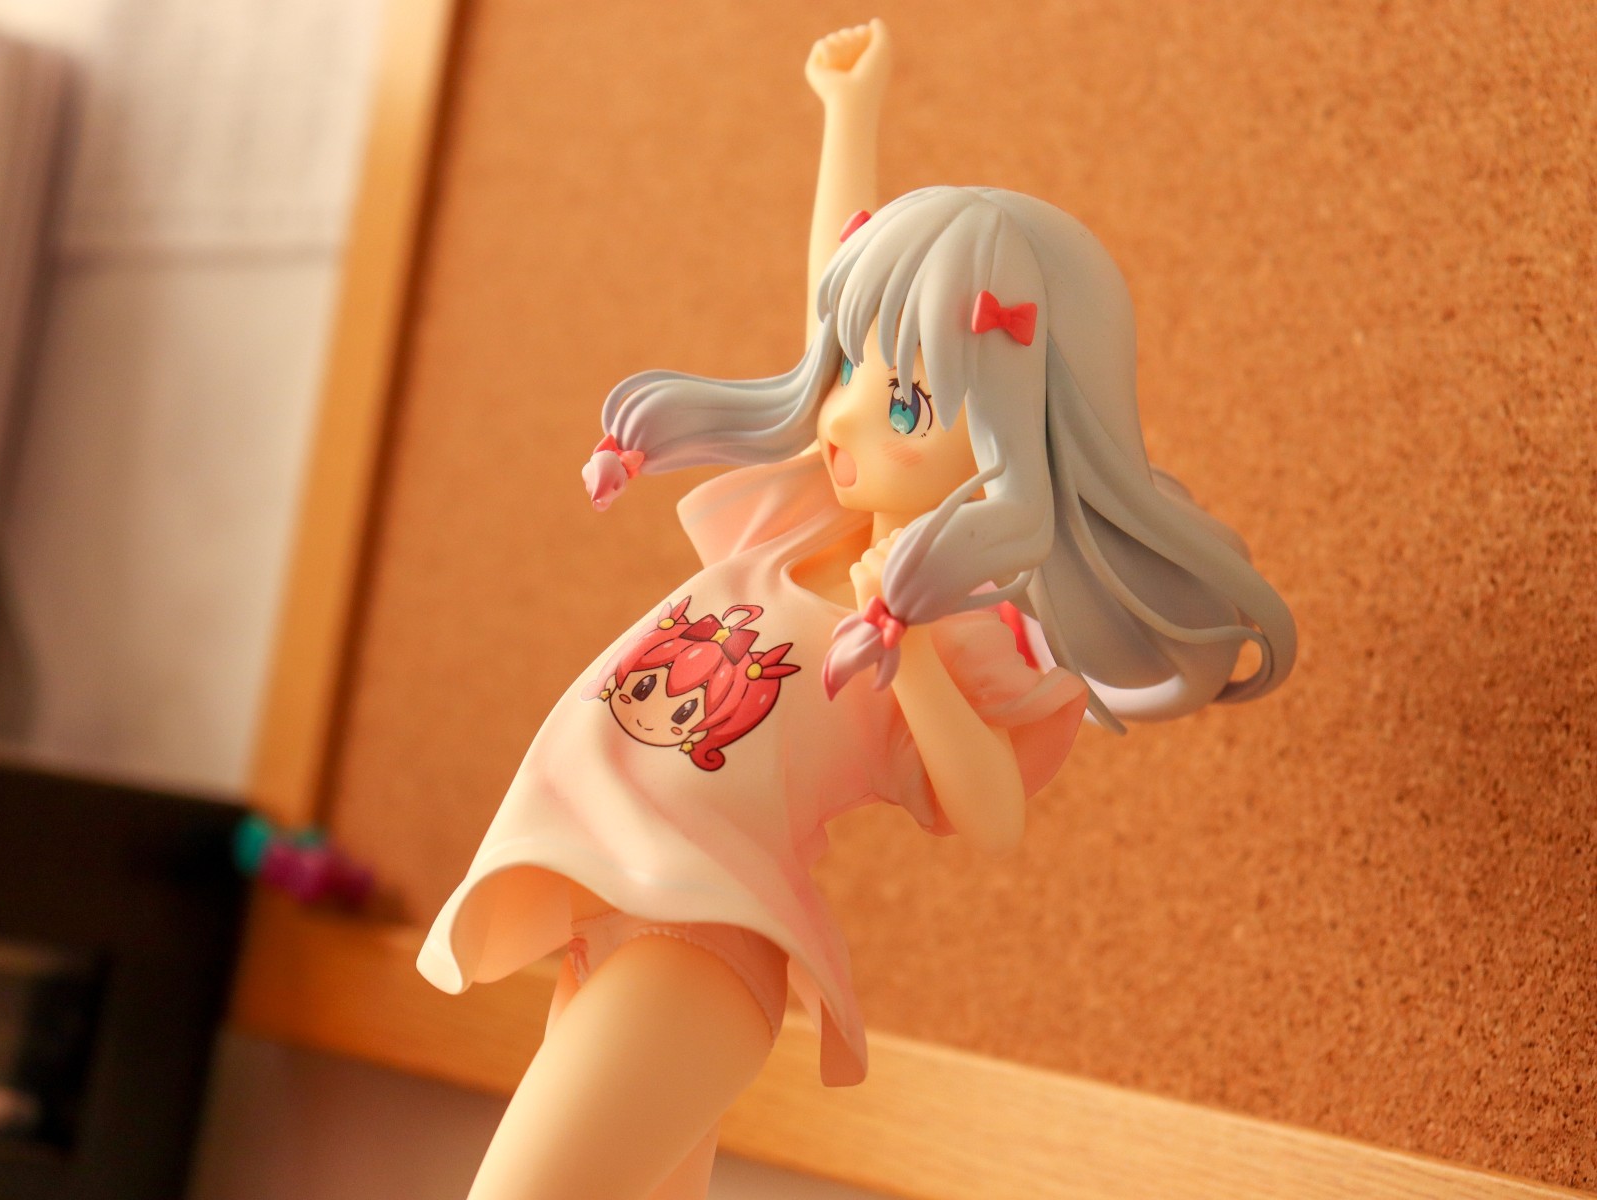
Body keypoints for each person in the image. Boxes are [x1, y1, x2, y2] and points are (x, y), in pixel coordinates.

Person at [418, 20, 1296, 1200]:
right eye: (848, 374)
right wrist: (849, 112)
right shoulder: (804, 520)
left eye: (910, 403)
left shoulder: (968, 628)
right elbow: (836, 275)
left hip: (702, 943)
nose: (841, 416)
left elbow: (991, 815)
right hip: (616, 912)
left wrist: (913, 654)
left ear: (1011, 438)